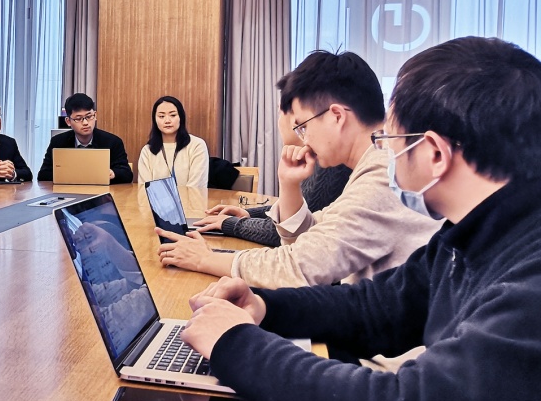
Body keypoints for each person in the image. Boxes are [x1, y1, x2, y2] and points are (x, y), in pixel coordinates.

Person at [180, 37, 541, 401]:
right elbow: (379, 307)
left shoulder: (529, 277)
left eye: (394, 138)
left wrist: (234, 344)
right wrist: (266, 307)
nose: (386, 150)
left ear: (434, 152)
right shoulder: (470, 233)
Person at [157, 51, 440, 287]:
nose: (303, 138)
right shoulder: (372, 164)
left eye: (303, 126)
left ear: (336, 116)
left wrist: (206, 259)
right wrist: (289, 185)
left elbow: (299, 266)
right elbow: (311, 236)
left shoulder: (385, 172)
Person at [194, 109, 351, 246]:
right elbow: (295, 214)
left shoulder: (330, 163)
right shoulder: (317, 158)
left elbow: (291, 231)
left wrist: (230, 224)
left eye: (280, 112)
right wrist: (249, 213)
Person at [37, 93, 133, 184]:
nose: (85, 123)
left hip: (102, 193)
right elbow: (43, 175)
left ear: (95, 115)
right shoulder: (58, 142)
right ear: (68, 121)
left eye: (89, 116)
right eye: (78, 119)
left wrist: (113, 173)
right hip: (68, 192)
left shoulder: (112, 142)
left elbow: (127, 174)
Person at [136, 96, 209, 189]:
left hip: (191, 198)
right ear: (155, 120)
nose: (167, 121)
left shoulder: (197, 145)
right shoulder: (147, 150)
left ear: (181, 117)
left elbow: (196, 187)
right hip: (157, 199)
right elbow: (145, 189)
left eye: (173, 115)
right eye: (161, 116)